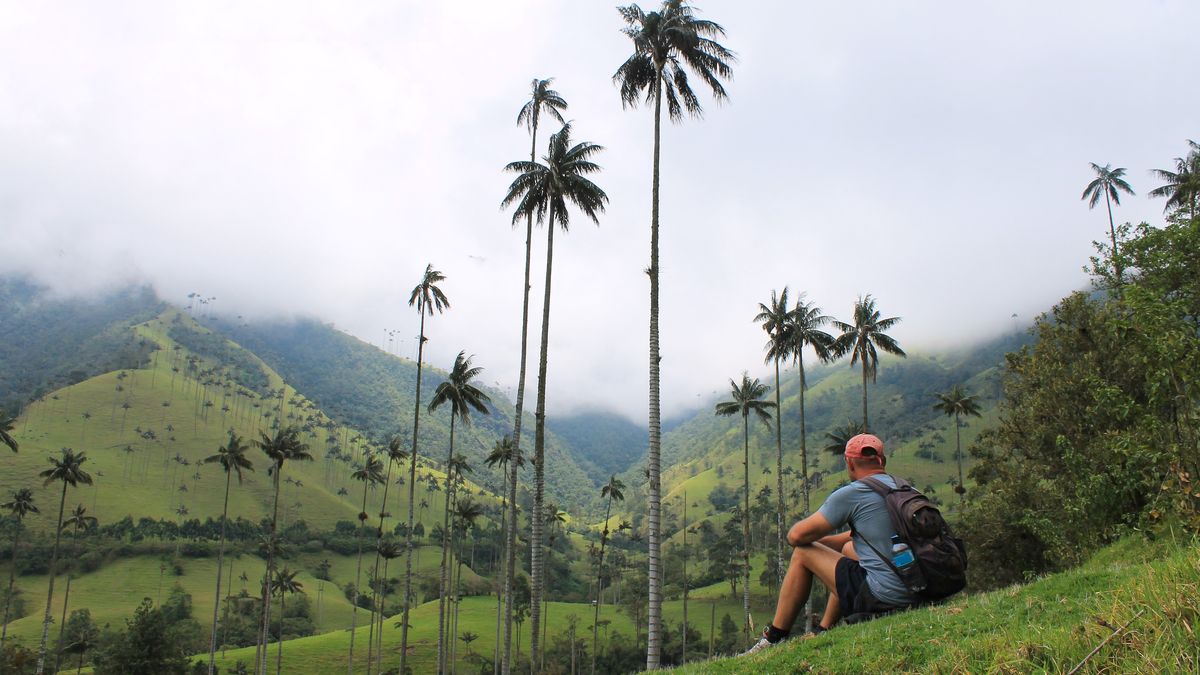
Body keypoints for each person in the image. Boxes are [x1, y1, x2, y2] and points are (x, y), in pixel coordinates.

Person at [741, 433, 917, 656]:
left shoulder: (854, 493)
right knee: (848, 550)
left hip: (887, 598)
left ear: (850, 463)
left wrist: (814, 546)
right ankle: (824, 629)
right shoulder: (905, 489)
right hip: (919, 590)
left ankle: (773, 638)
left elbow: (795, 537)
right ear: (882, 460)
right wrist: (823, 546)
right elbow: (860, 536)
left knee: (802, 553)